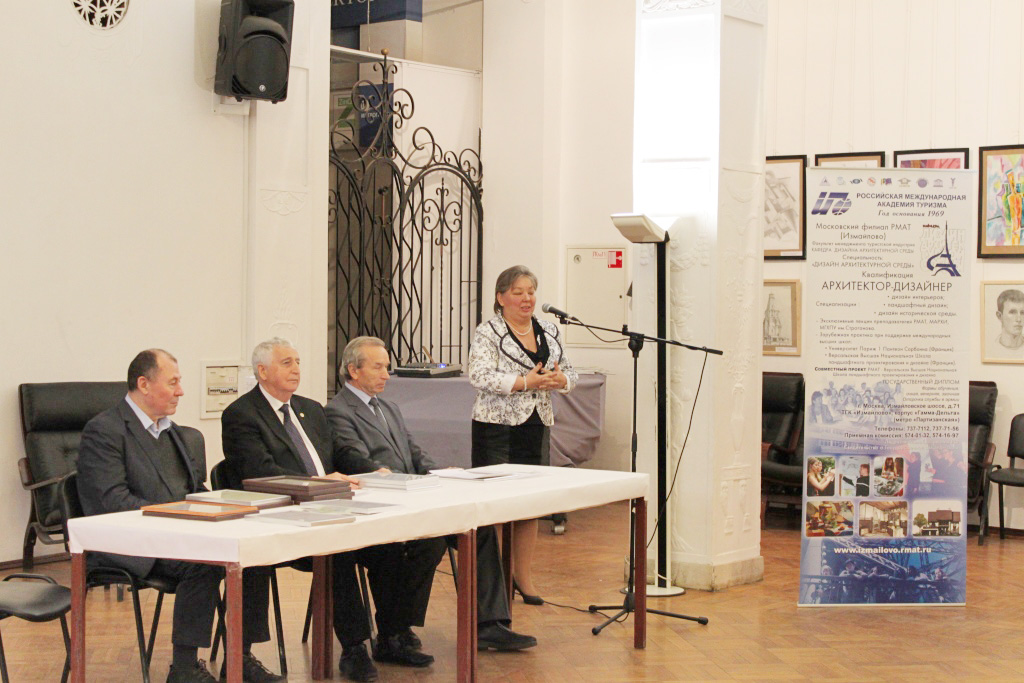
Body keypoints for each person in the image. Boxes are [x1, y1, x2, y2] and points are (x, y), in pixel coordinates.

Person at [222, 338, 429, 683]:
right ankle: (354, 648)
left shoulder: (310, 409)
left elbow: (340, 453)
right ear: (262, 371)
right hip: (282, 517)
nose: (296, 369)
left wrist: (372, 471)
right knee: (337, 553)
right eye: (286, 363)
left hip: (330, 508)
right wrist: (317, 483)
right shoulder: (242, 414)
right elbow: (260, 472)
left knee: (388, 545)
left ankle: (392, 636)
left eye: (298, 362)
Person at [76, 349, 282, 683]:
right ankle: (184, 668)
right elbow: (111, 502)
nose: (181, 391)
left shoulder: (172, 431)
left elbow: (193, 489)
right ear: (144, 384)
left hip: (178, 532)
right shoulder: (105, 431)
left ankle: (240, 658)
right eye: (172, 383)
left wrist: (223, 507)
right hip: (129, 541)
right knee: (202, 562)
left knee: (251, 551)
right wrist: (178, 517)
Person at [325, 336, 537, 652]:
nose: (386, 375)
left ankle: (489, 624)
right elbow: (355, 459)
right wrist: (398, 480)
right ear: (354, 371)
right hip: (384, 503)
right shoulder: (337, 411)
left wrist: (438, 472)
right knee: (430, 542)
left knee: (478, 529)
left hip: (415, 496)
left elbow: (413, 451)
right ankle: (396, 630)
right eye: (378, 367)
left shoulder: (389, 407)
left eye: (386, 367)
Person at [467, 265, 578, 604]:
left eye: (531, 292)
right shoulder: (488, 332)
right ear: (501, 298)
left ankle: (523, 578)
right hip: (495, 427)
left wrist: (560, 380)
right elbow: (479, 375)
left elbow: (570, 372)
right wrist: (524, 382)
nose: (527, 298)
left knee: (530, 503)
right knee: (499, 505)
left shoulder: (549, 329)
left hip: (536, 423)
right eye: (518, 292)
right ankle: (495, 583)